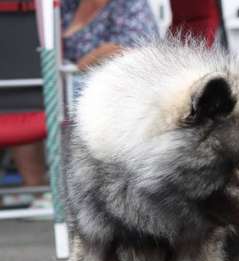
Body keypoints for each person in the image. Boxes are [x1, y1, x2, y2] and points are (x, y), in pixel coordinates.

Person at [7, 0, 158, 210]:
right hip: (52, 84)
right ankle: (35, 186)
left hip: (107, 85)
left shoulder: (128, 4)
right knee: (23, 95)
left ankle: (72, 189)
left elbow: (136, 52)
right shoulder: (64, 5)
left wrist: (84, 64)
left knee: (73, 91)